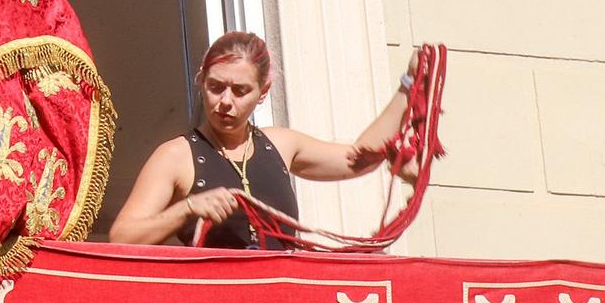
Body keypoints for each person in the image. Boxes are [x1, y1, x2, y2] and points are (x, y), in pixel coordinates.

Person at [108, 31, 423, 249]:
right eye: (216, 87)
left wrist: (408, 85)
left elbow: (357, 159)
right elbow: (122, 237)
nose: (225, 102)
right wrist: (188, 209)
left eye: (240, 91)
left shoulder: (280, 143)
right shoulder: (177, 155)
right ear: (201, 82)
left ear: (263, 93)